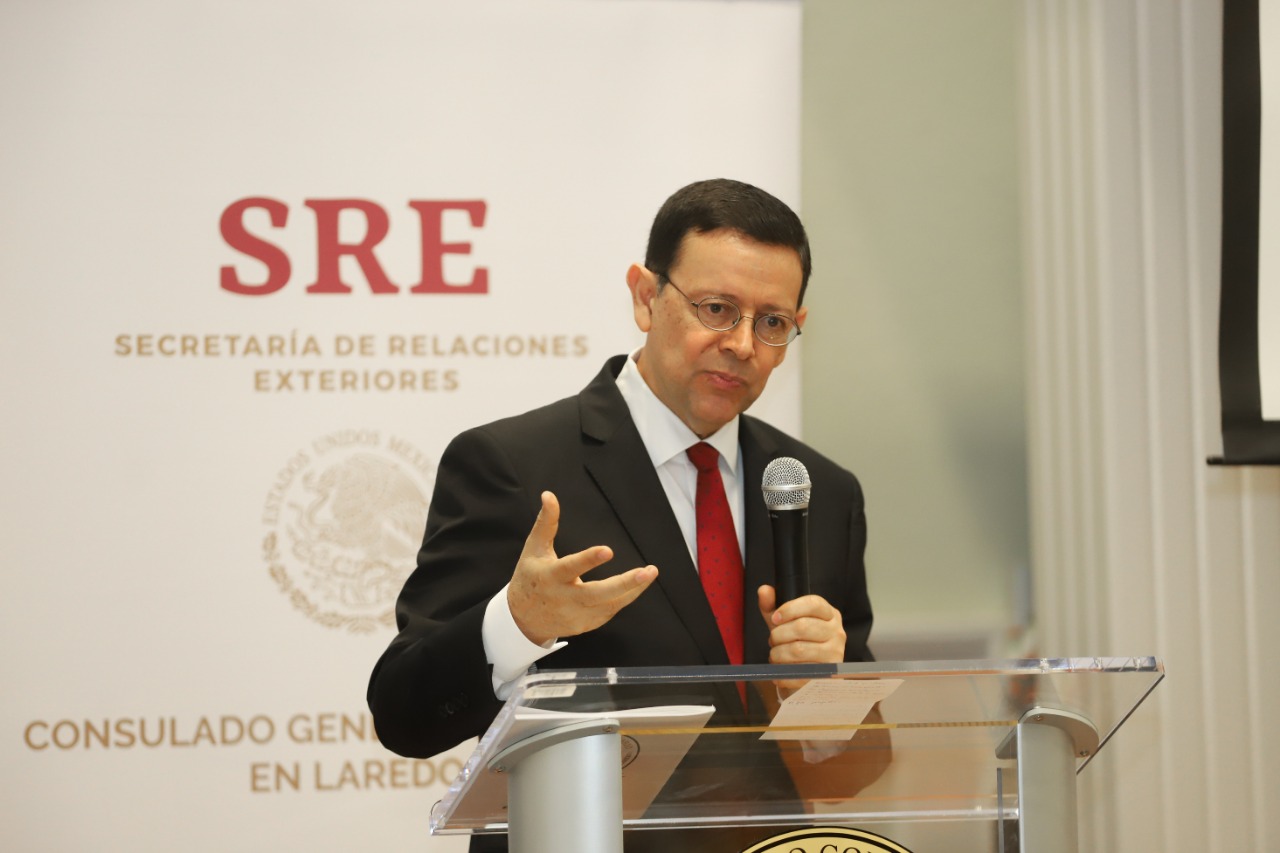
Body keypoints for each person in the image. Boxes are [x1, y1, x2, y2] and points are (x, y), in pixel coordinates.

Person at [368, 178, 875, 851]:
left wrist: (825, 704)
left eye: (773, 322)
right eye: (717, 308)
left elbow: (856, 768)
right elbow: (405, 712)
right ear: (644, 296)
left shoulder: (819, 490)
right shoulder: (513, 465)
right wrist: (514, 625)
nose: (744, 344)